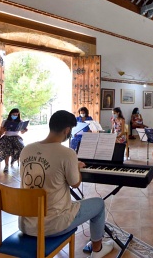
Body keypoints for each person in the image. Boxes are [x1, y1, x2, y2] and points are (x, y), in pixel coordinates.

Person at [19, 110, 114, 258]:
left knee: (71, 201)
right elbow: (75, 183)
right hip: (53, 225)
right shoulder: (67, 153)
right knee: (99, 204)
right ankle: (97, 249)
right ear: (67, 130)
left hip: (27, 224)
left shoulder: (26, 150)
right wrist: (75, 166)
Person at [0, 108, 28, 173]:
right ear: (10, 114)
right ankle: (6, 165)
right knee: (6, 148)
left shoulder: (20, 121)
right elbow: (0, 133)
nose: (15, 115)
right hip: (6, 137)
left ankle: (14, 159)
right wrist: (3, 130)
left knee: (22, 147)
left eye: (16, 115)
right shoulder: (5, 121)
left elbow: (22, 132)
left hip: (16, 137)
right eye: (14, 114)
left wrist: (25, 130)